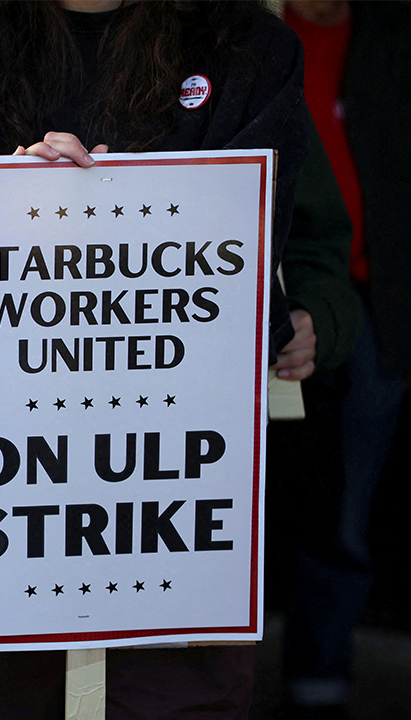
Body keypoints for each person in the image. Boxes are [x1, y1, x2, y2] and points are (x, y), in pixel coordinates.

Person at [0, 1, 312, 717]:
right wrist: (2, 205)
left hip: (171, 516)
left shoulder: (248, 52)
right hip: (1, 513)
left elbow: (256, 259)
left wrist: (136, 213)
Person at [279, 2, 411, 716]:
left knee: (346, 511)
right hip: (254, 297)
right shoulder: (248, 33)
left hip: (371, 304)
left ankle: (317, 684)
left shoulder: (391, 37)